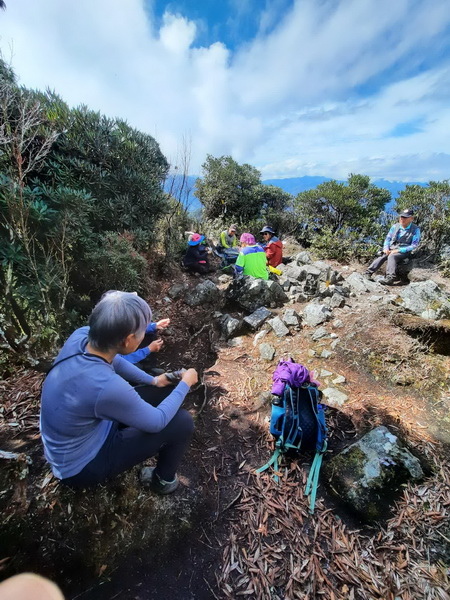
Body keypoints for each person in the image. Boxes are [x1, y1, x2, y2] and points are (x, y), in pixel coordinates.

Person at [40, 291, 198, 494]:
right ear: (128, 340)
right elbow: (156, 421)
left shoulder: (82, 336)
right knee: (183, 422)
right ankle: (163, 481)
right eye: (141, 332)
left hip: (85, 432)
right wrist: (185, 384)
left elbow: (115, 359)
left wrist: (154, 380)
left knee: (164, 392)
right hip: (81, 466)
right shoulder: (106, 385)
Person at [365, 209, 420, 285]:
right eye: (401, 217)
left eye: (405, 217)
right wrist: (386, 248)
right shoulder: (395, 226)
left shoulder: (415, 229)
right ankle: (368, 273)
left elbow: (414, 245)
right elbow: (388, 238)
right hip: (391, 247)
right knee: (383, 255)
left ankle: (390, 278)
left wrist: (399, 250)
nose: (402, 219)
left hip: (404, 251)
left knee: (392, 256)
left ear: (411, 218)